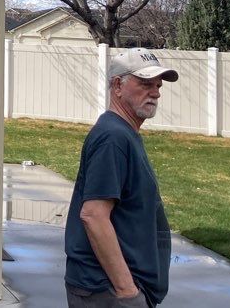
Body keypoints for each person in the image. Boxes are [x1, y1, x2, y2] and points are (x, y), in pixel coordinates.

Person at [63, 48, 179, 307]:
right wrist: (127, 291)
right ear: (118, 85)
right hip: (108, 292)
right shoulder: (112, 138)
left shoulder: (124, 134)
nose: (156, 92)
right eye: (146, 83)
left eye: (158, 85)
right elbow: (93, 215)